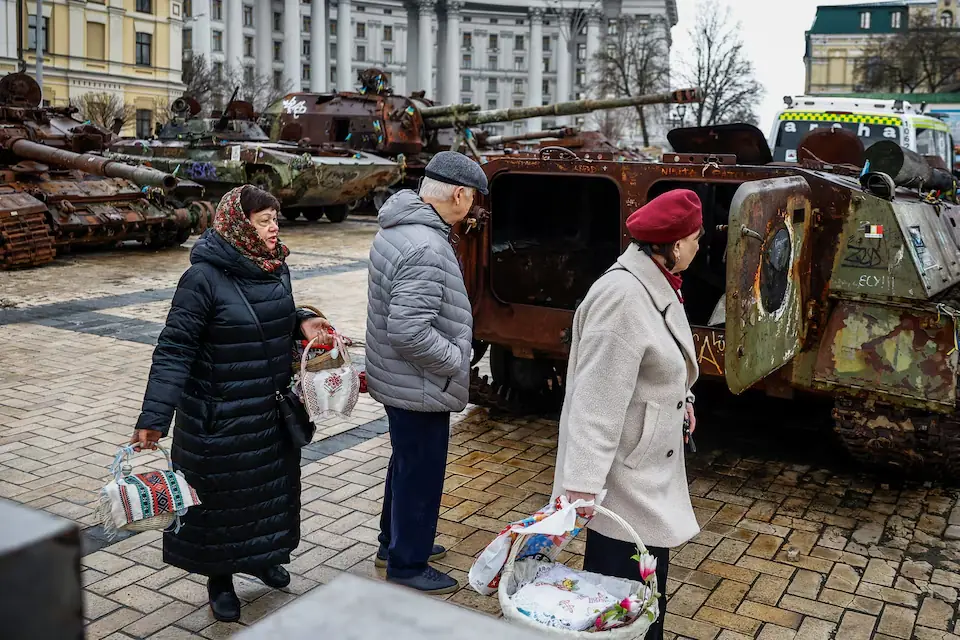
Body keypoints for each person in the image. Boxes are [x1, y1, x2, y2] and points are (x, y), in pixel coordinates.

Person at [130, 185, 332, 622]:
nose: (274, 227)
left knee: (266, 496)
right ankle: (218, 579)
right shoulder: (201, 279)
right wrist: (154, 416)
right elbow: (174, 349)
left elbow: (272, 315)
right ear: (238, 226)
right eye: (263, 221)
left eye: (275, 218)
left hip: (268, 412)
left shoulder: (275, 267)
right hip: (218, 418)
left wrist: (303, 321)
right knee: (219, 505)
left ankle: (260, 557)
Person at [551, 189, 704, 640]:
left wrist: (685, 401)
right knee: (620, 607)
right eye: (695, 239)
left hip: (646, 475)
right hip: (622, 485)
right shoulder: (622, 298)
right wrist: (580, 491)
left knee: (646, 596)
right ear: (674, 246)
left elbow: (662, 362)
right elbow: (594, 404)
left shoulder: (656, 283)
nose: (698, 247)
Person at [365, 151, 488, 594]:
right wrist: (455, 360)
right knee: (420, 472)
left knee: (405, 464)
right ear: (458, 193)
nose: (473, 207)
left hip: (401, 378)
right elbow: (408, 329)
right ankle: (407, 564)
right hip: (419, 382)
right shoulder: (427, 246)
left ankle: (393, 544)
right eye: (473, 198)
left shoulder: (400, 228)